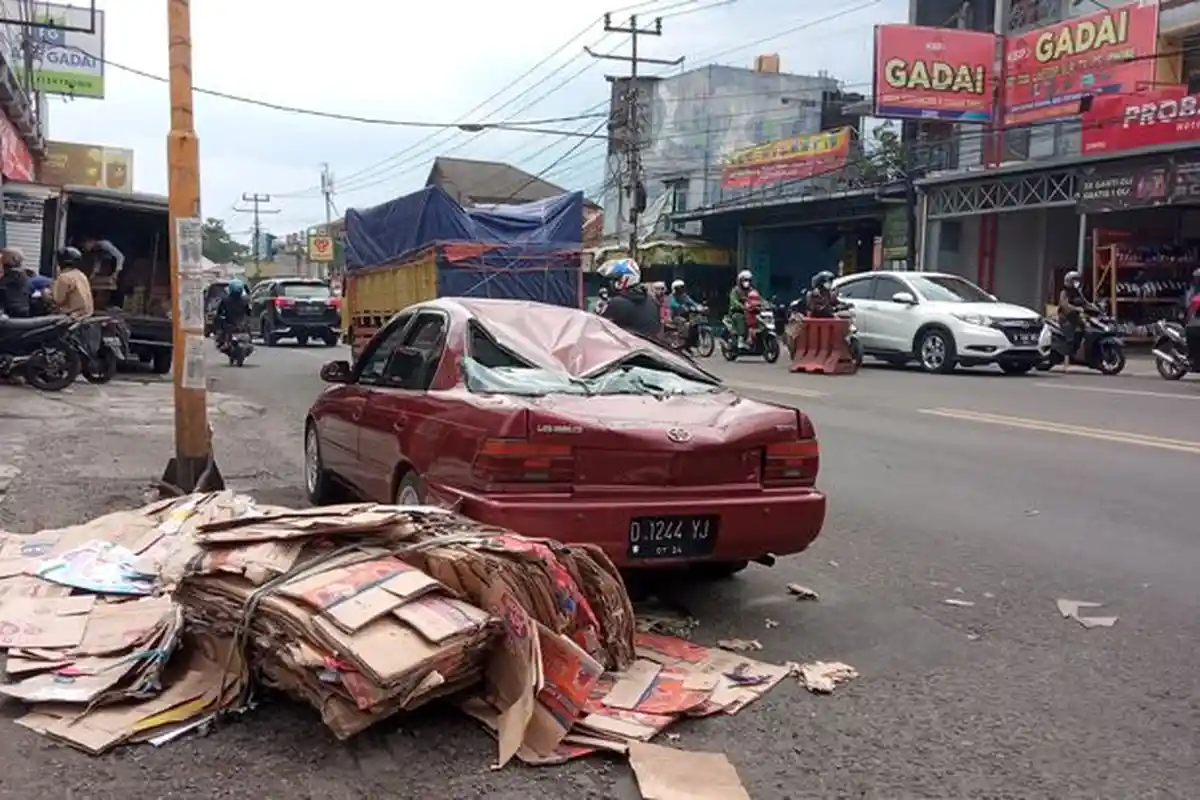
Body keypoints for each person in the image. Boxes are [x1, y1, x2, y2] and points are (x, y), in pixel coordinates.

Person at [597, 258, 662, 339]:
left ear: (625, 279)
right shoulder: (651, 300)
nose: (611, 283)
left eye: (615, 279)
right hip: (649, 348)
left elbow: (600, 331)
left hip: (626, 349)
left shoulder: (617, 303)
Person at [51, 246, 94, 315]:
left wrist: (46, 294)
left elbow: (58, 300)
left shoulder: (64, 277)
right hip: (86, 314)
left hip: (72, 316)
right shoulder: (81, 275)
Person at [214, 278, 251, 348]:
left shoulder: (226, 300)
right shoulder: (244, 300)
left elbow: (219, 312)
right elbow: (249, 312)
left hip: (231, 325)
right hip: (238, 325)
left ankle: (221, 340)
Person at [0, 247, 31, 318]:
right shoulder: (20, 273)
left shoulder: (14, 274)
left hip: (13, 311)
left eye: (3, 256)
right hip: (20, 309)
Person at [728, 269, 754, 346]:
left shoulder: (751, 290)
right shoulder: (735, 290)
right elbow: (734, 301)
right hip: (737, 312)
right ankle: (741, 339)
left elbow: (759, 298)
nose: (747, 282)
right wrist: (742, 307)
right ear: (740, 281)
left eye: (748, 280)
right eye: (745, 280)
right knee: (740, 318)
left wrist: (767, 304)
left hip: (750, 312)